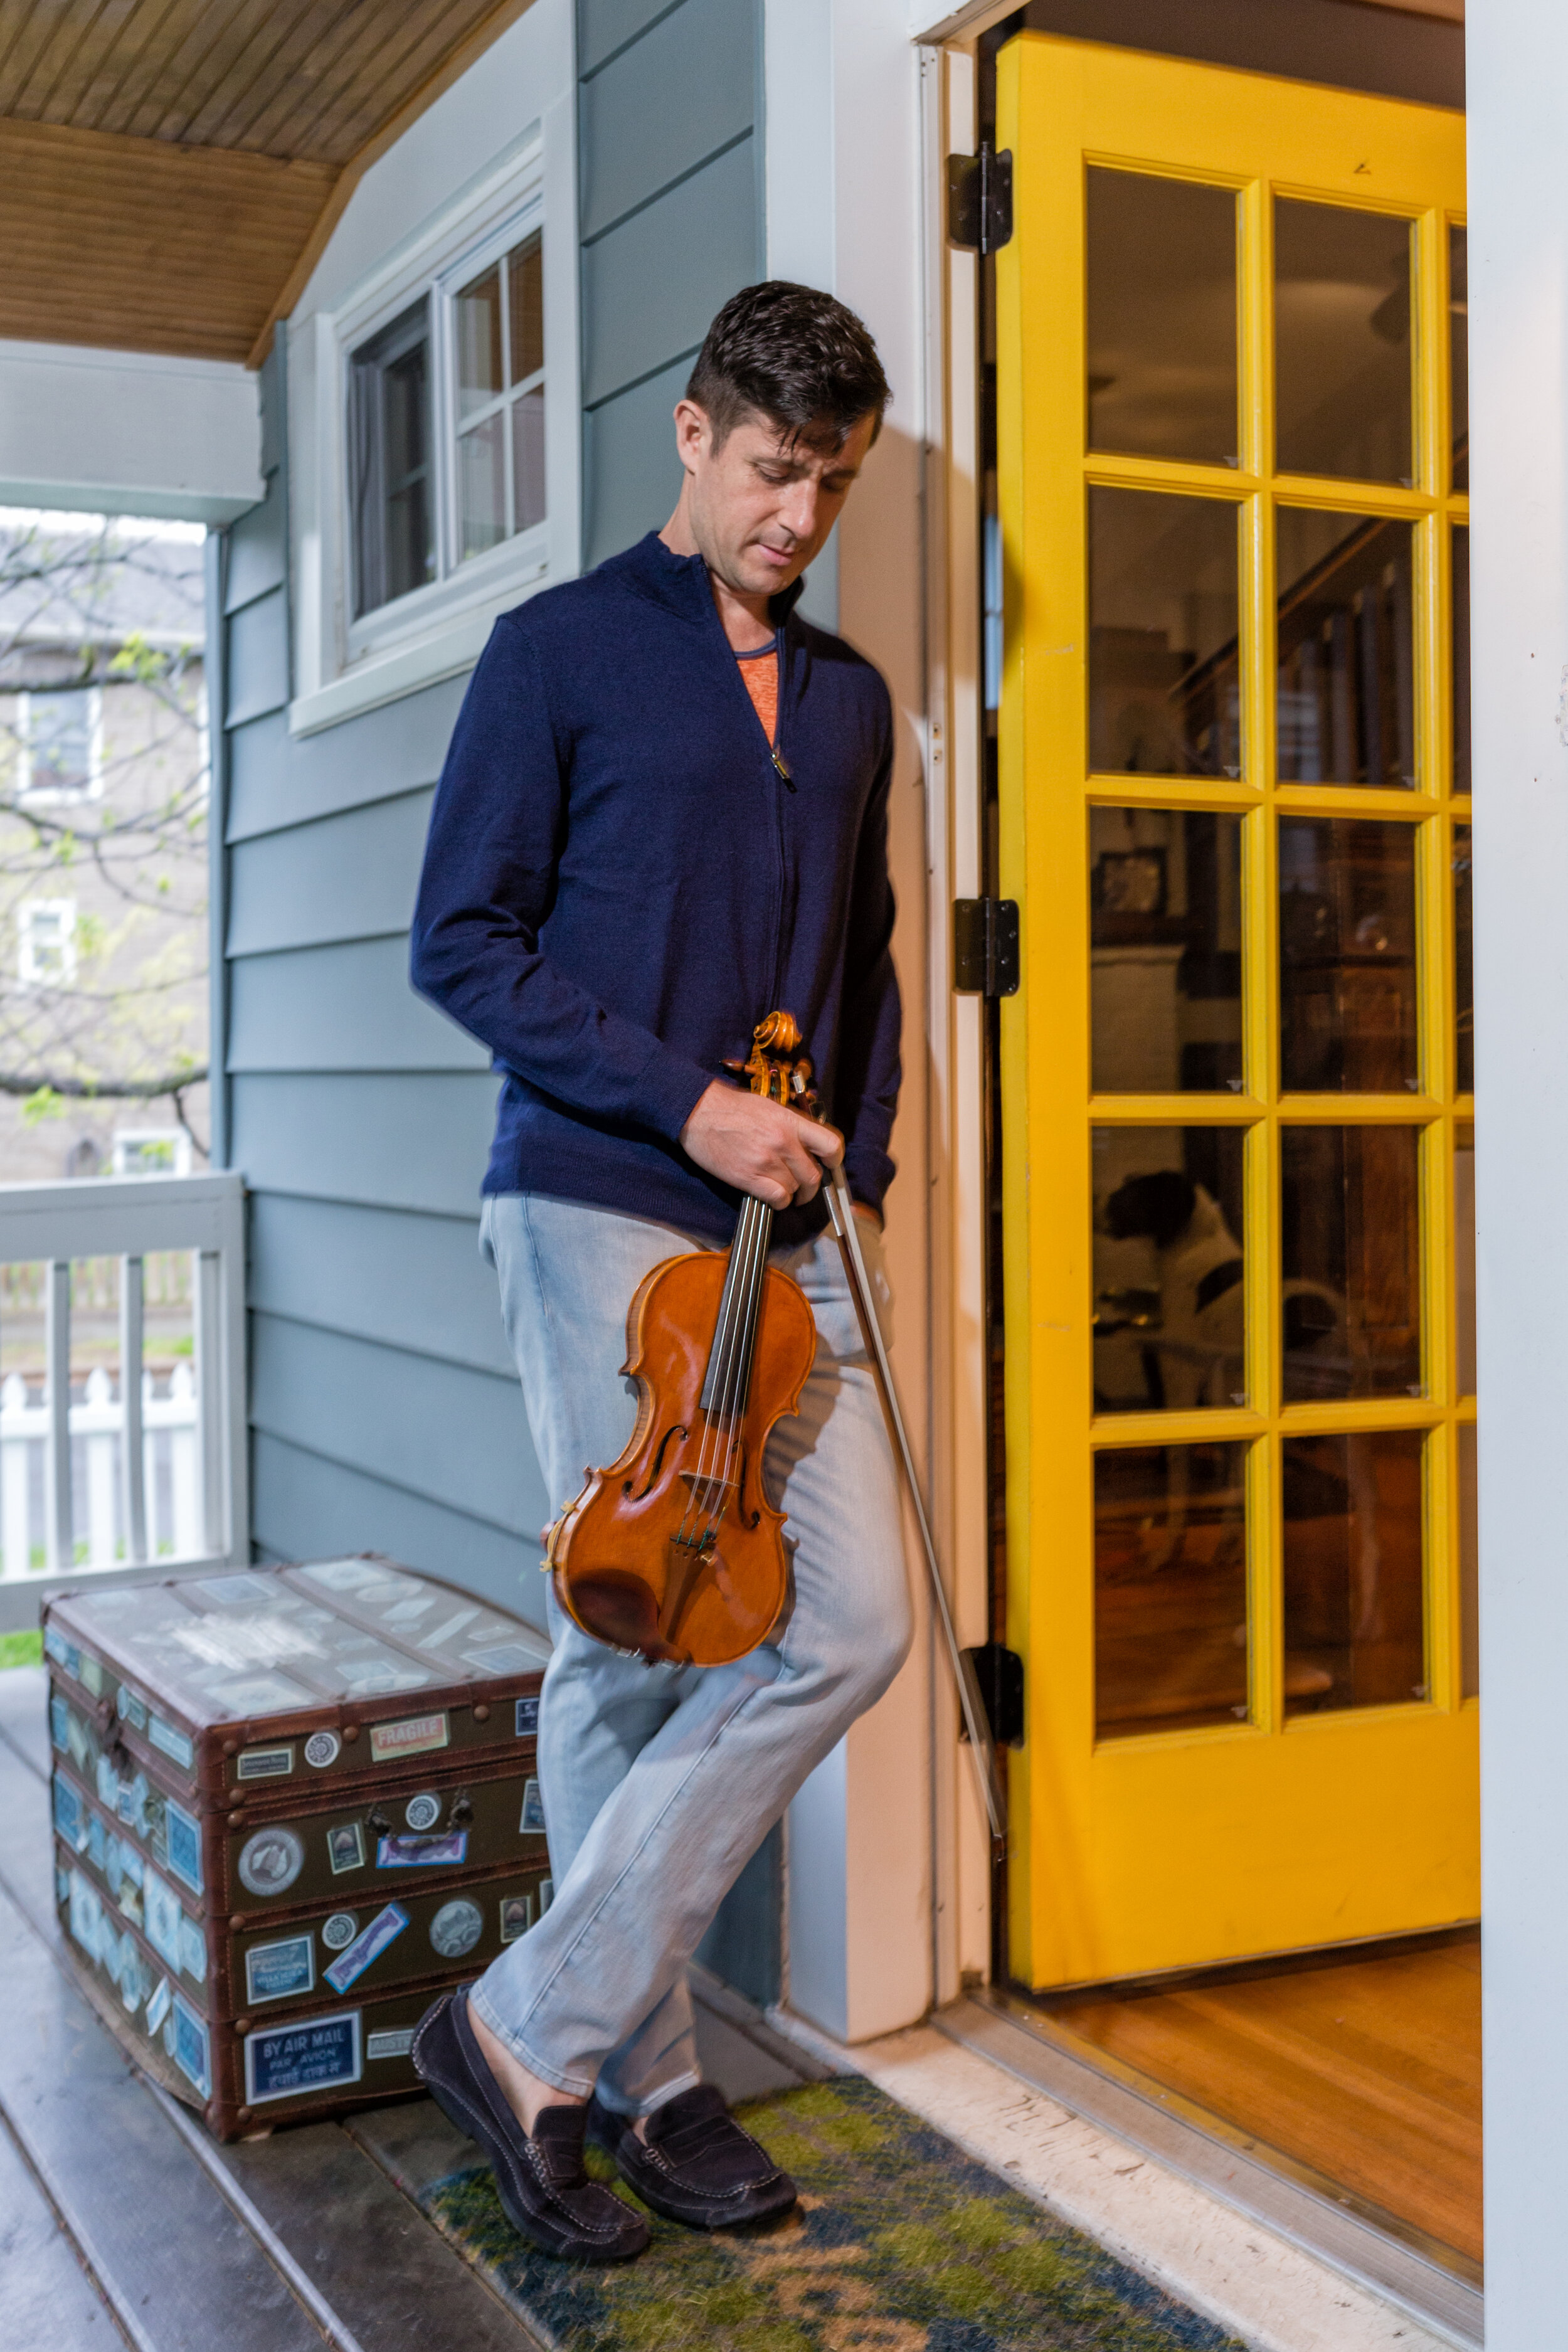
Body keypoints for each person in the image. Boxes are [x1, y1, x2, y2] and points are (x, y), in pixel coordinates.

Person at [406, 281, 912, 2262]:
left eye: (835, 482)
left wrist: (845, 1158)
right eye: (776, 471)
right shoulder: (559, 654)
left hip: (790, 1237)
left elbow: (861, 970)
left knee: (846, 1620)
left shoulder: (853, 697)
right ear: (693, 439)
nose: (800, 516)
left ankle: (532, 2025)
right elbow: (462, 941)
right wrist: (690, 1109)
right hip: (599, 1199)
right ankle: (656, 2073)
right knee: (632, 1621)